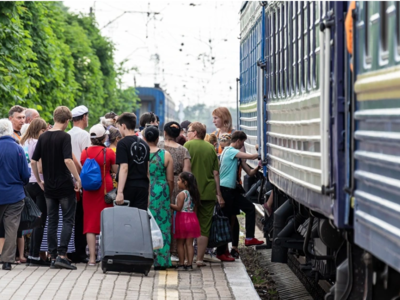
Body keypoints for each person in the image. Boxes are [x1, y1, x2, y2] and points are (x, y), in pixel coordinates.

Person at [31, 106, 81, 270]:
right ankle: (62, 255)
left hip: (49, 187)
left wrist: (39, 181)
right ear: (67, 120)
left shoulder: (43, 137)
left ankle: (52, 256)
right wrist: (77, 178)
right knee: (67, 219)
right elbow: (68, 160)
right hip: (65, 185)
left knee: (51, 221)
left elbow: (33, 161)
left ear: (54, 118)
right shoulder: (65, 137)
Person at [217, 131, 264, 261]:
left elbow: (249, 172)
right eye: (242, 142)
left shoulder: (236, 156)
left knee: (249, 208)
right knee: (226, 219)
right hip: (225, 189)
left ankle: (249, 238)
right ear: (238, 141)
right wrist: (261, 153)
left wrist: (258, 168)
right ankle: (221, 251)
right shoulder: (230, 150)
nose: (242, 145)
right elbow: (252, 156)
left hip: (232, 191)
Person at [184, 122, 223, 267]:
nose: (187, 133)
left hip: (190, 194)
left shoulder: (187, 146)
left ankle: (188, 258)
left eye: (188, 131)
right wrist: (219, 194)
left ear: (194, 133)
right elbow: (216, 173)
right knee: (204, 227)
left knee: (189, 225)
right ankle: (200, 259)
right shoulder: (210, 148)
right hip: (208, 192)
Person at [81, 124, 117, 265]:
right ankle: (105, 256)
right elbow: (115, 170)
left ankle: (91, 258)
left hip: (89, 190)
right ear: (104, 137)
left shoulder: (85, 152)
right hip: (105, 188)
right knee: (106, 222)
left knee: (90, 224)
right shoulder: (108, 152)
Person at [158, 121, 191, 262]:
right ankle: (176, 251)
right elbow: (187, 172)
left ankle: (161, 247)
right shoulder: (183, 150)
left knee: (161, 215)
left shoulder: (158, 147)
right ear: (178, 135)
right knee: (177, 217)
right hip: (178, 185)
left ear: (164, 132)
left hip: (160, 184)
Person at [0, 119, 30, 270]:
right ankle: (7, 260)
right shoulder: (17, 149)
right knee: (11, 227)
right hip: (14, 195)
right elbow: (25, 174)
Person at [143, 126, 174, 270]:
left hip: (145, 190)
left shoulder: (140, 153)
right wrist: (169, 193)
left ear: (144, 138)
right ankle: (161, 261)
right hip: (161, 191)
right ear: (157, 138)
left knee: (145, 225)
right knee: (162, 226)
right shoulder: (166, 155)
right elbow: (170, 179)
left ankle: (145, 258)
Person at [21, 118, 49, 266]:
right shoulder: (37, 143)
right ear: (40, 130)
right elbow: (39, 167)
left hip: (26, 183)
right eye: (43, 130)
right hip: (39, 183)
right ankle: (34, 256)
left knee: (31, 221)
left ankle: (28, 253)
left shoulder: (24, 142)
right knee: (40, 221)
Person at [68, 105, 91, 264]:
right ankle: (80, 251)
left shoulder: (67, 134)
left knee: (70, 217)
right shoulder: (84, 135)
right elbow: (87, 158)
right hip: (80, 179)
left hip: (67, 179)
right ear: (84, 117)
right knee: (81, 216)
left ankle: (70, 250)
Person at [115, 113, 150, 209]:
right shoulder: (145, 144)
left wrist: (120, 192)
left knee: (126, 221)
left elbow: (124, 168)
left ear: (123, 126)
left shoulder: (122, 143)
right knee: (139, 219)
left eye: (119, 127)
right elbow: (148, 171)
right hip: (143, 187)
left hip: (128, 187)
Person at [170, 172, 201, 271]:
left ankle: (181, 263)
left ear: (185, 182)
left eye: (179, 180)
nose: (177, 182)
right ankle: (190, 264)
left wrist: (169, 204)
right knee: (189, 243)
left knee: (180, 243)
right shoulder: (194, 194)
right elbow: (195, 210)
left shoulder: (181, 194)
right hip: (192, 219)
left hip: (182, 219)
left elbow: (179, 208)